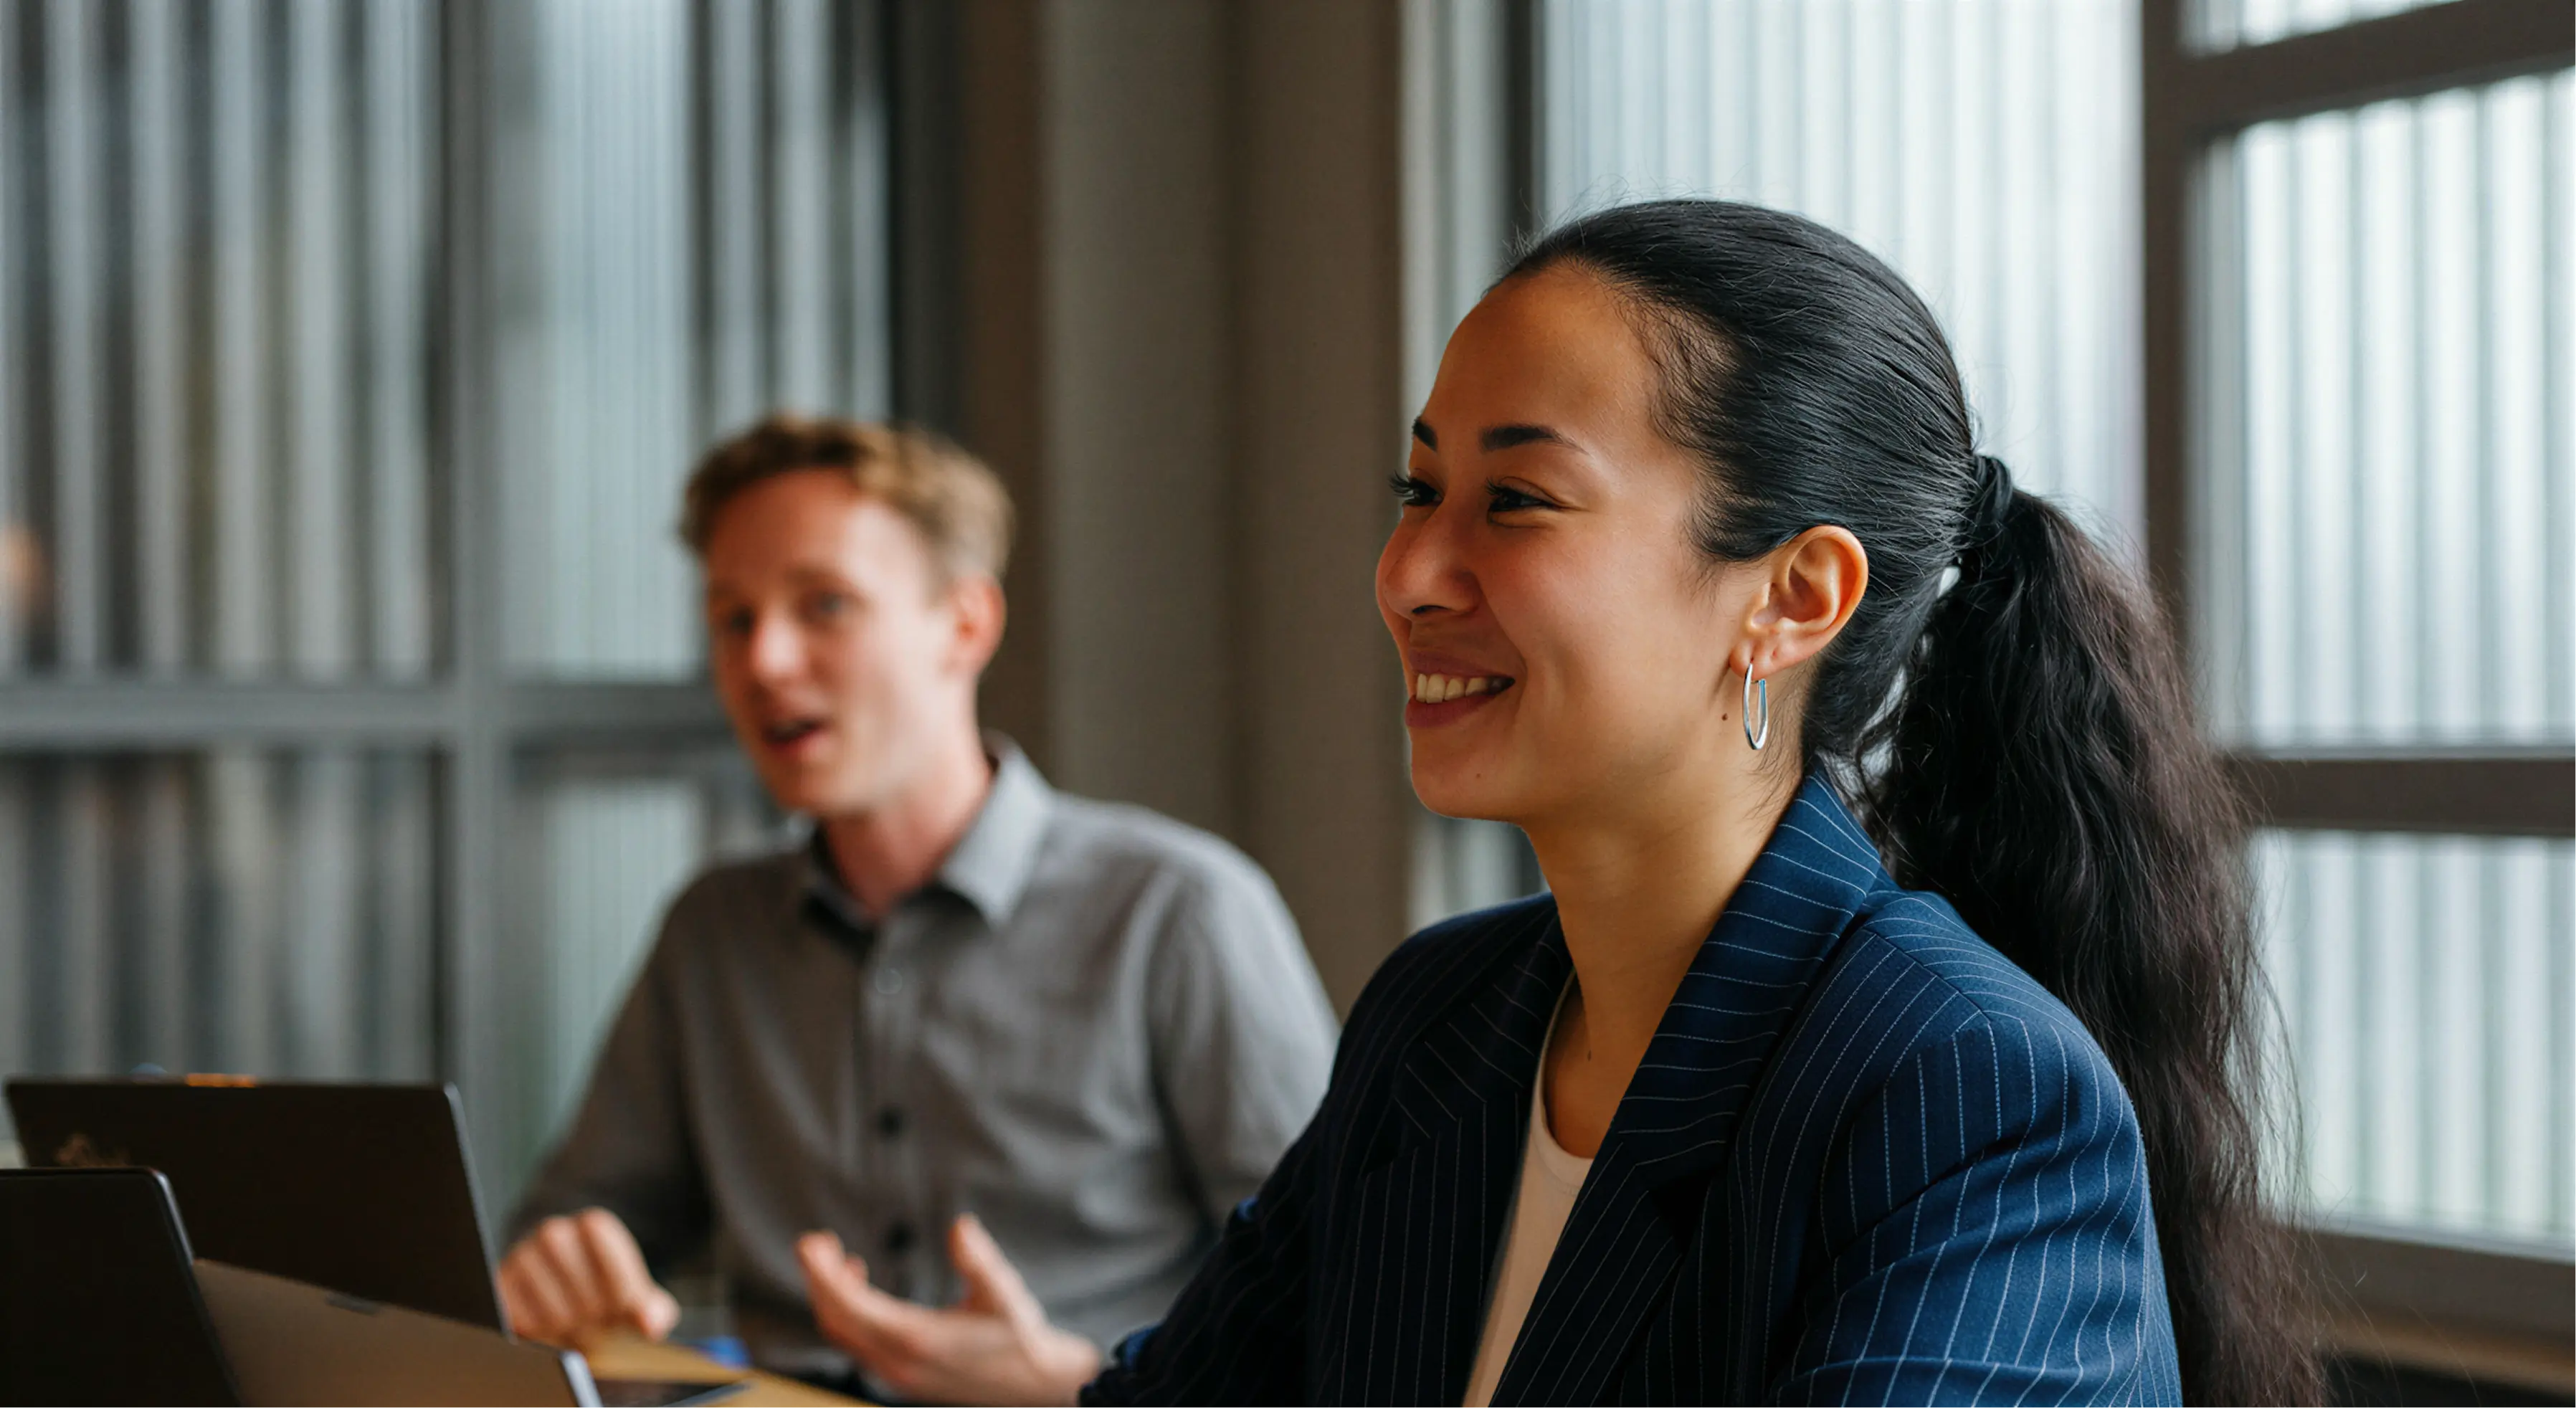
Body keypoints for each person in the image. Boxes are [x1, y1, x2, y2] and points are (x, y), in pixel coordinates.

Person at [1083, 201, 2319, 1407]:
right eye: (1418, 491)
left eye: (1517, 501)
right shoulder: (1438, 1020)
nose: (1407, 573)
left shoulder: (1961, 1087)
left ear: (1792, 597)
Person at [499, 416, 1340, 1407]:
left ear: (966, 625)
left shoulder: (1177, 913)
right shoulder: (710, 933)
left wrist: (1080, 1382)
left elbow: (1337, 1303)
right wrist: (556, 1276)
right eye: (733, 618)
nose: (764, 660)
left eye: (824, 605)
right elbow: (566, 1238)